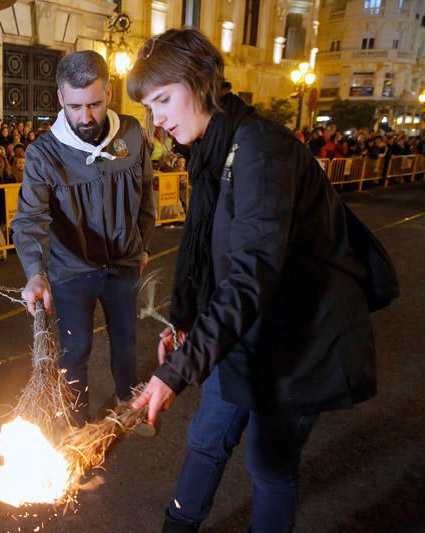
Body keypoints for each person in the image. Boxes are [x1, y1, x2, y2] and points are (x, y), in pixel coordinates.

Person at [126, 29, 377, 533]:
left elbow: (251, 272)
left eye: (163, 100)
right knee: (206, 438)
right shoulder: (211, 150)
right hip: (244, 331)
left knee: (270, 464)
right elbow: (213, 257)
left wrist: (177, 372)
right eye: (150, 107)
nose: (157, 120)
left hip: (297, 339)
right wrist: (186, 323)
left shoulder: (261, 148)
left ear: (200, 82)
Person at [11, 50, 155, 425]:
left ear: (109, 91)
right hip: (71, 271)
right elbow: (28, 219)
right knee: (76, 351)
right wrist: (34, 272)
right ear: (60, 98)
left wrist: (143, 243)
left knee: (125, 342)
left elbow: (146, 192)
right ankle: (78, 428)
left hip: (123, 264)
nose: (86, 117)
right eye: (75, 106)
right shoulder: (43, 153)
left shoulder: (131, 134)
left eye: (95, 103)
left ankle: (128, 403)